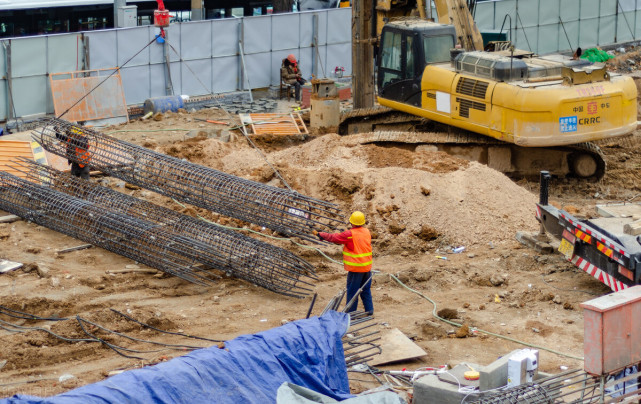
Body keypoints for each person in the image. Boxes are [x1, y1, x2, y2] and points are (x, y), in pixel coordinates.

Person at [313, 211, 373, 314]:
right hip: (367, 267)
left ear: (352, 223)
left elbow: (334, 238)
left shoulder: (350, 234)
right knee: (365, 290)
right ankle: (369, 310)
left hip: (356, 268)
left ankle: (350, 313)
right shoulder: (367, 231)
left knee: (352, 291)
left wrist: (321, 234)